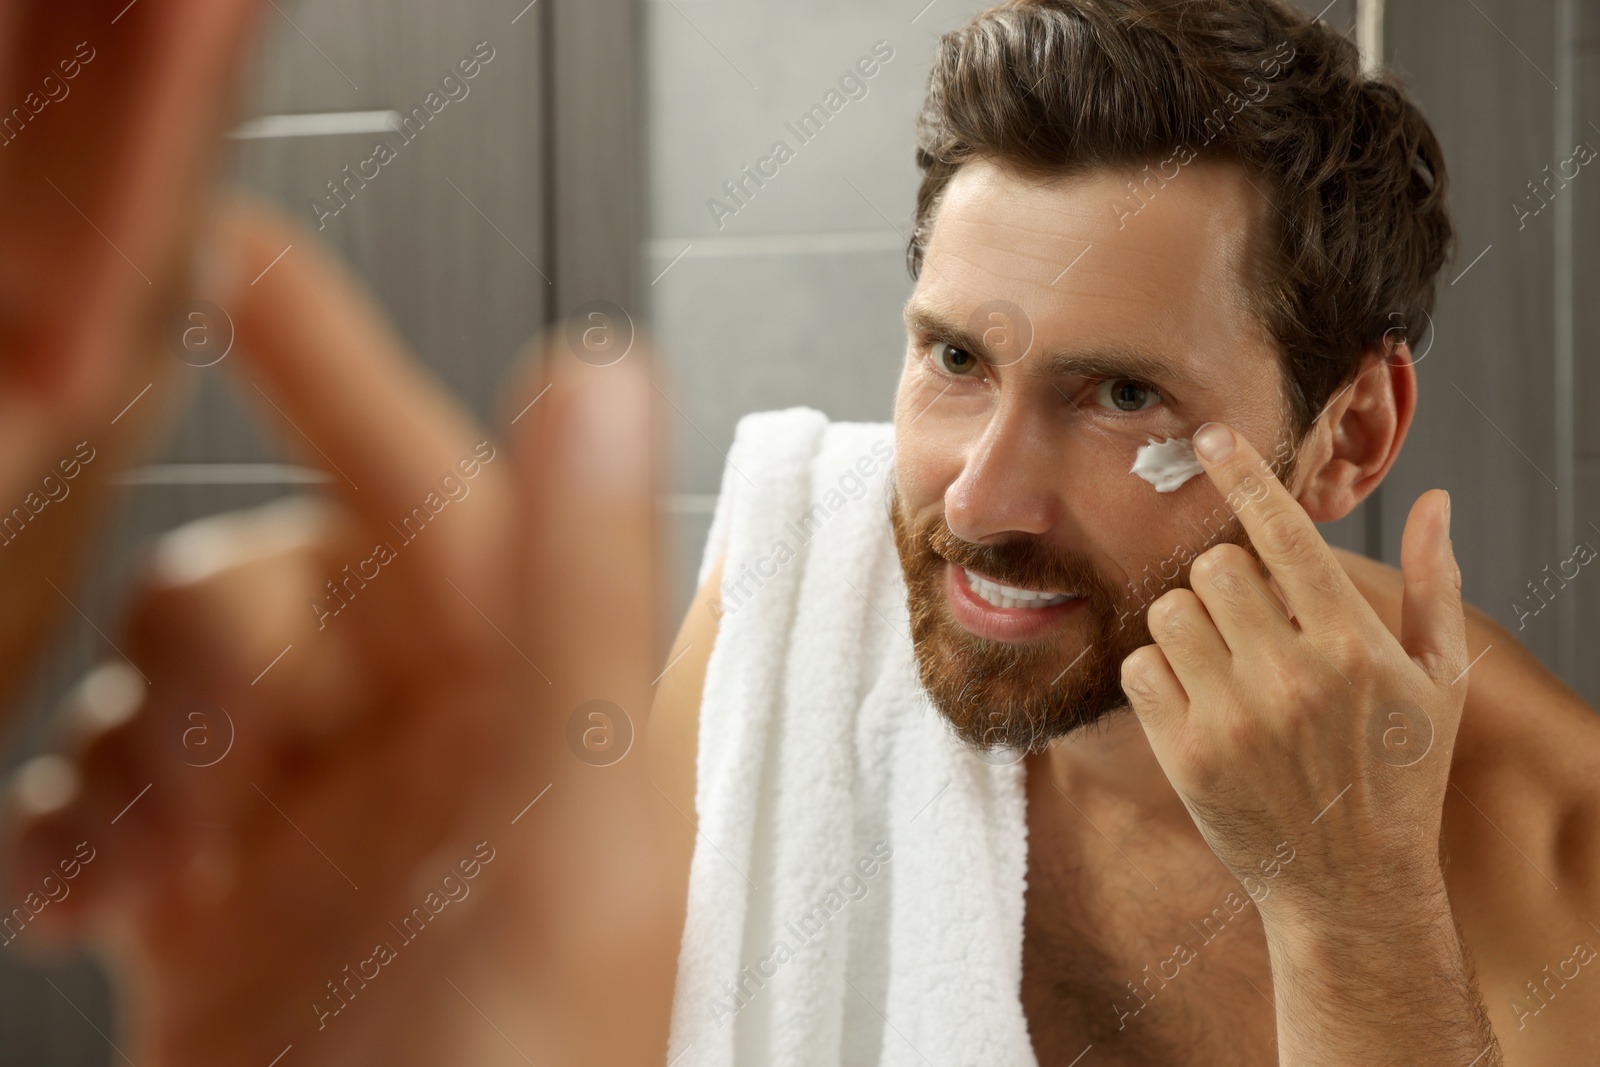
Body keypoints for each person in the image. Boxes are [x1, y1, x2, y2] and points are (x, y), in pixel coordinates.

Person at [6, 1, 1599, 1065]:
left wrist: (1353, 912)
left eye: (1122, 396)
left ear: (1352, 438)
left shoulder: (1547, 846)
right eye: (955, 358)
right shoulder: (808, 610)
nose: (978, 500)